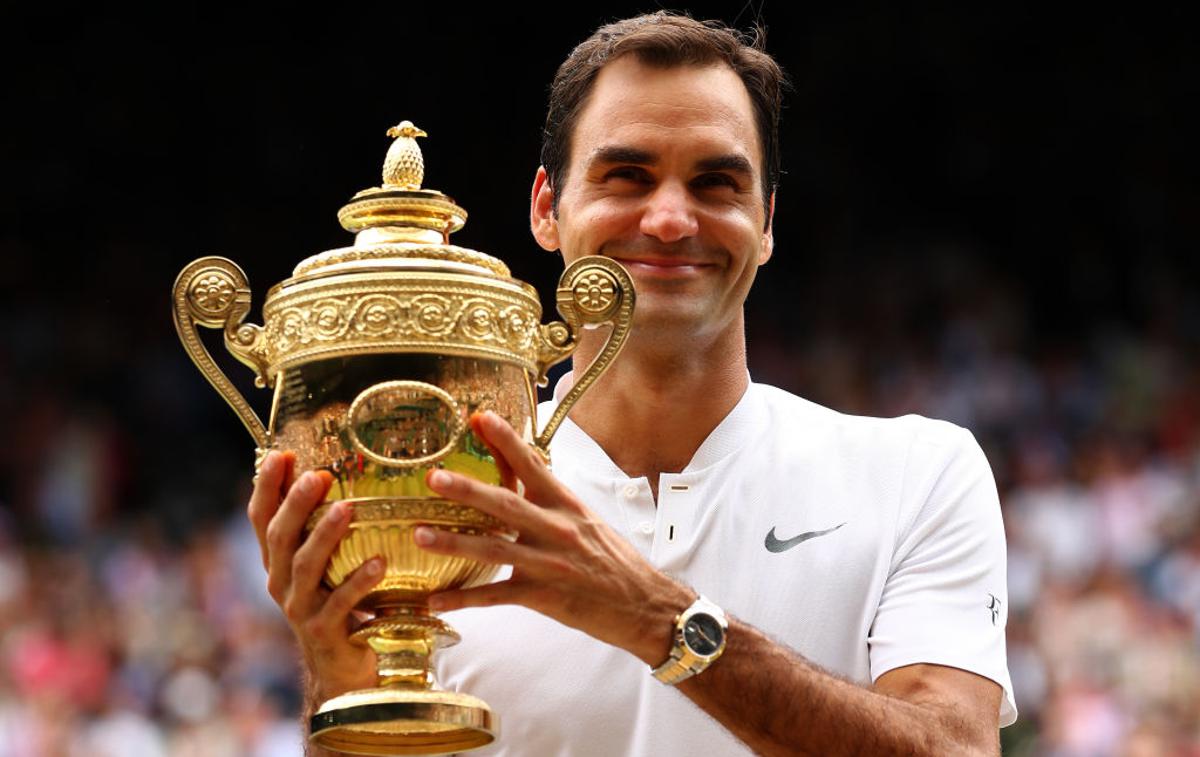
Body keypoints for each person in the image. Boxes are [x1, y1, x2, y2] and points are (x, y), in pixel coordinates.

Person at [248, 12, 1016, 755]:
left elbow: (956, 748)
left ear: (768, 220)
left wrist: (656, 618)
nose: (672, 218)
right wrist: (341, 680)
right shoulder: (441, 499)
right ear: (548, 208)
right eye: (628, 175)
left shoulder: (917, 473)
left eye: (716, 183)